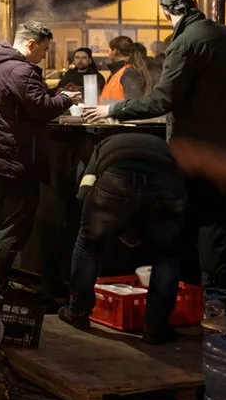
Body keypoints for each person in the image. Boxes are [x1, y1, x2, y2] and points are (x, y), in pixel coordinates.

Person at [83, 0, 226, 313]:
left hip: (211, 152)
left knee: (211, 226)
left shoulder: (186, 43)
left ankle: (219, 305)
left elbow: (163, 99)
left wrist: (112, 110)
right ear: (194, 5)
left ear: (166, 13)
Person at [58, 132, 188, 345]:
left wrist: (93, 225)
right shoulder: (165, 149)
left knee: (88, 243)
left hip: (115, 177)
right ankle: (155, 328)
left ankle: (78, 313)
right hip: (164, 183)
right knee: (167, 254)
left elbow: (84, 192)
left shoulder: (101, 147)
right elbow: (180, 194)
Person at [0, 21, 78, 282]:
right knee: (15, 227)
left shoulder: (0, 65)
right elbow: (41, 108)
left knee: (1, 223)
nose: (45, 55)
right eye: (44, 49)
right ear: (30, 44)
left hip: (1, 156)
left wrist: (53, 94)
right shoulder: (20, 70)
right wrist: (65, 99)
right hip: (14, 159)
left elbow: (26, 103)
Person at [100, 36, 150, 103]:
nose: (108, 53)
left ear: (115, 51)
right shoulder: (118, 72)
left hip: (117, 113)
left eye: (110, 49)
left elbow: (133, 105)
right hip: (110, 113)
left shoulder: (129, 73)